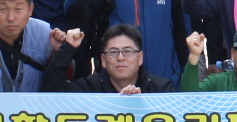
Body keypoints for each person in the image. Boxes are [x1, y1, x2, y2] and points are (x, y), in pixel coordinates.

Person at [44, 23, 173, 94]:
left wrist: (141, 104)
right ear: (103, 60)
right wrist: (66, 49)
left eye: (128, 51)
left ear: (140, 58)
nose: (121, 58)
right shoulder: (89, 89)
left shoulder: (161, 89)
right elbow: (51, 92)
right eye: (113, 52)